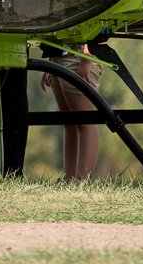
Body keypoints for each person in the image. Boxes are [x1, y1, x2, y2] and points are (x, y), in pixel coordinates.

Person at [39, 44, 103, 182]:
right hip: (57, 57)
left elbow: (90, 26)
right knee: (69, 122)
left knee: (85, 121)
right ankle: (69, 178)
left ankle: (82, 180)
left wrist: (86, 58)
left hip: (77, 57)